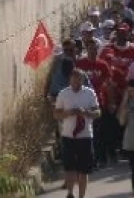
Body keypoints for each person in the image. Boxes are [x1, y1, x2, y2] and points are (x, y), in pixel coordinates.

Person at [54, 69, 101, 198]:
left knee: (83, 169)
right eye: (74, 80)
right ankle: (70, 193)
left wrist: (85, 113)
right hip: (68, 135)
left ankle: (81, 195)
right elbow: (56, 114)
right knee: (69, 167)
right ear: (70, 80)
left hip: (85, 136)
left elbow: (98, 112)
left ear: (82, 80)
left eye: (79, 80)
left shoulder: (89, 93)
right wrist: (68, 113)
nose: (76, 82)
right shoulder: (63, 94)